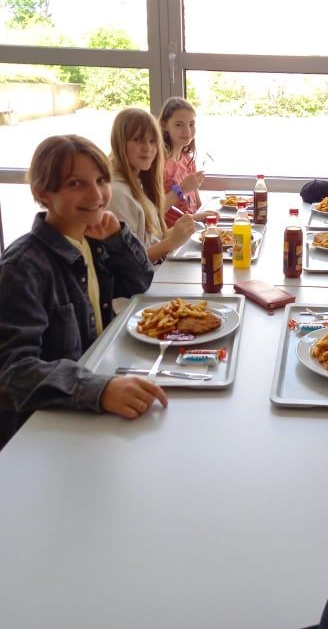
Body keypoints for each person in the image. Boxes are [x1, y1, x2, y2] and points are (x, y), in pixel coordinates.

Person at [0, 135, 168, 450]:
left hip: (92, 403)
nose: (96, 195)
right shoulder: (24, 266)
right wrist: (99, 391)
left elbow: (140, 281)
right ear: (42, 193)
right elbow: (13, 371)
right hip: (43, 431)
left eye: (101, 180)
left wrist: (117, 238)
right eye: (76, 184)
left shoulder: (92, 242)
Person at [109, 108, 195, 264]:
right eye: (137, 140)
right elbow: (129, 263)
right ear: (119, 143)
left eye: (152, 141)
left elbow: (153, 241)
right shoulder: (116, 193)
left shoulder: (137, 183)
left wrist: (183, 229)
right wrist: (170, 243)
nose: (147, 148)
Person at [158, 97, 216, 227]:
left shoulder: (188, 160)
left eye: (191, 124)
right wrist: (181, 189)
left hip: (193, 229)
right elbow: (154, 213)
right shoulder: (159, 164)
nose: (187, 131)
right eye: (179, 125)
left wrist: (206, 217)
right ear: (164, 125)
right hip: (173, 235)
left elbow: (197, 205)